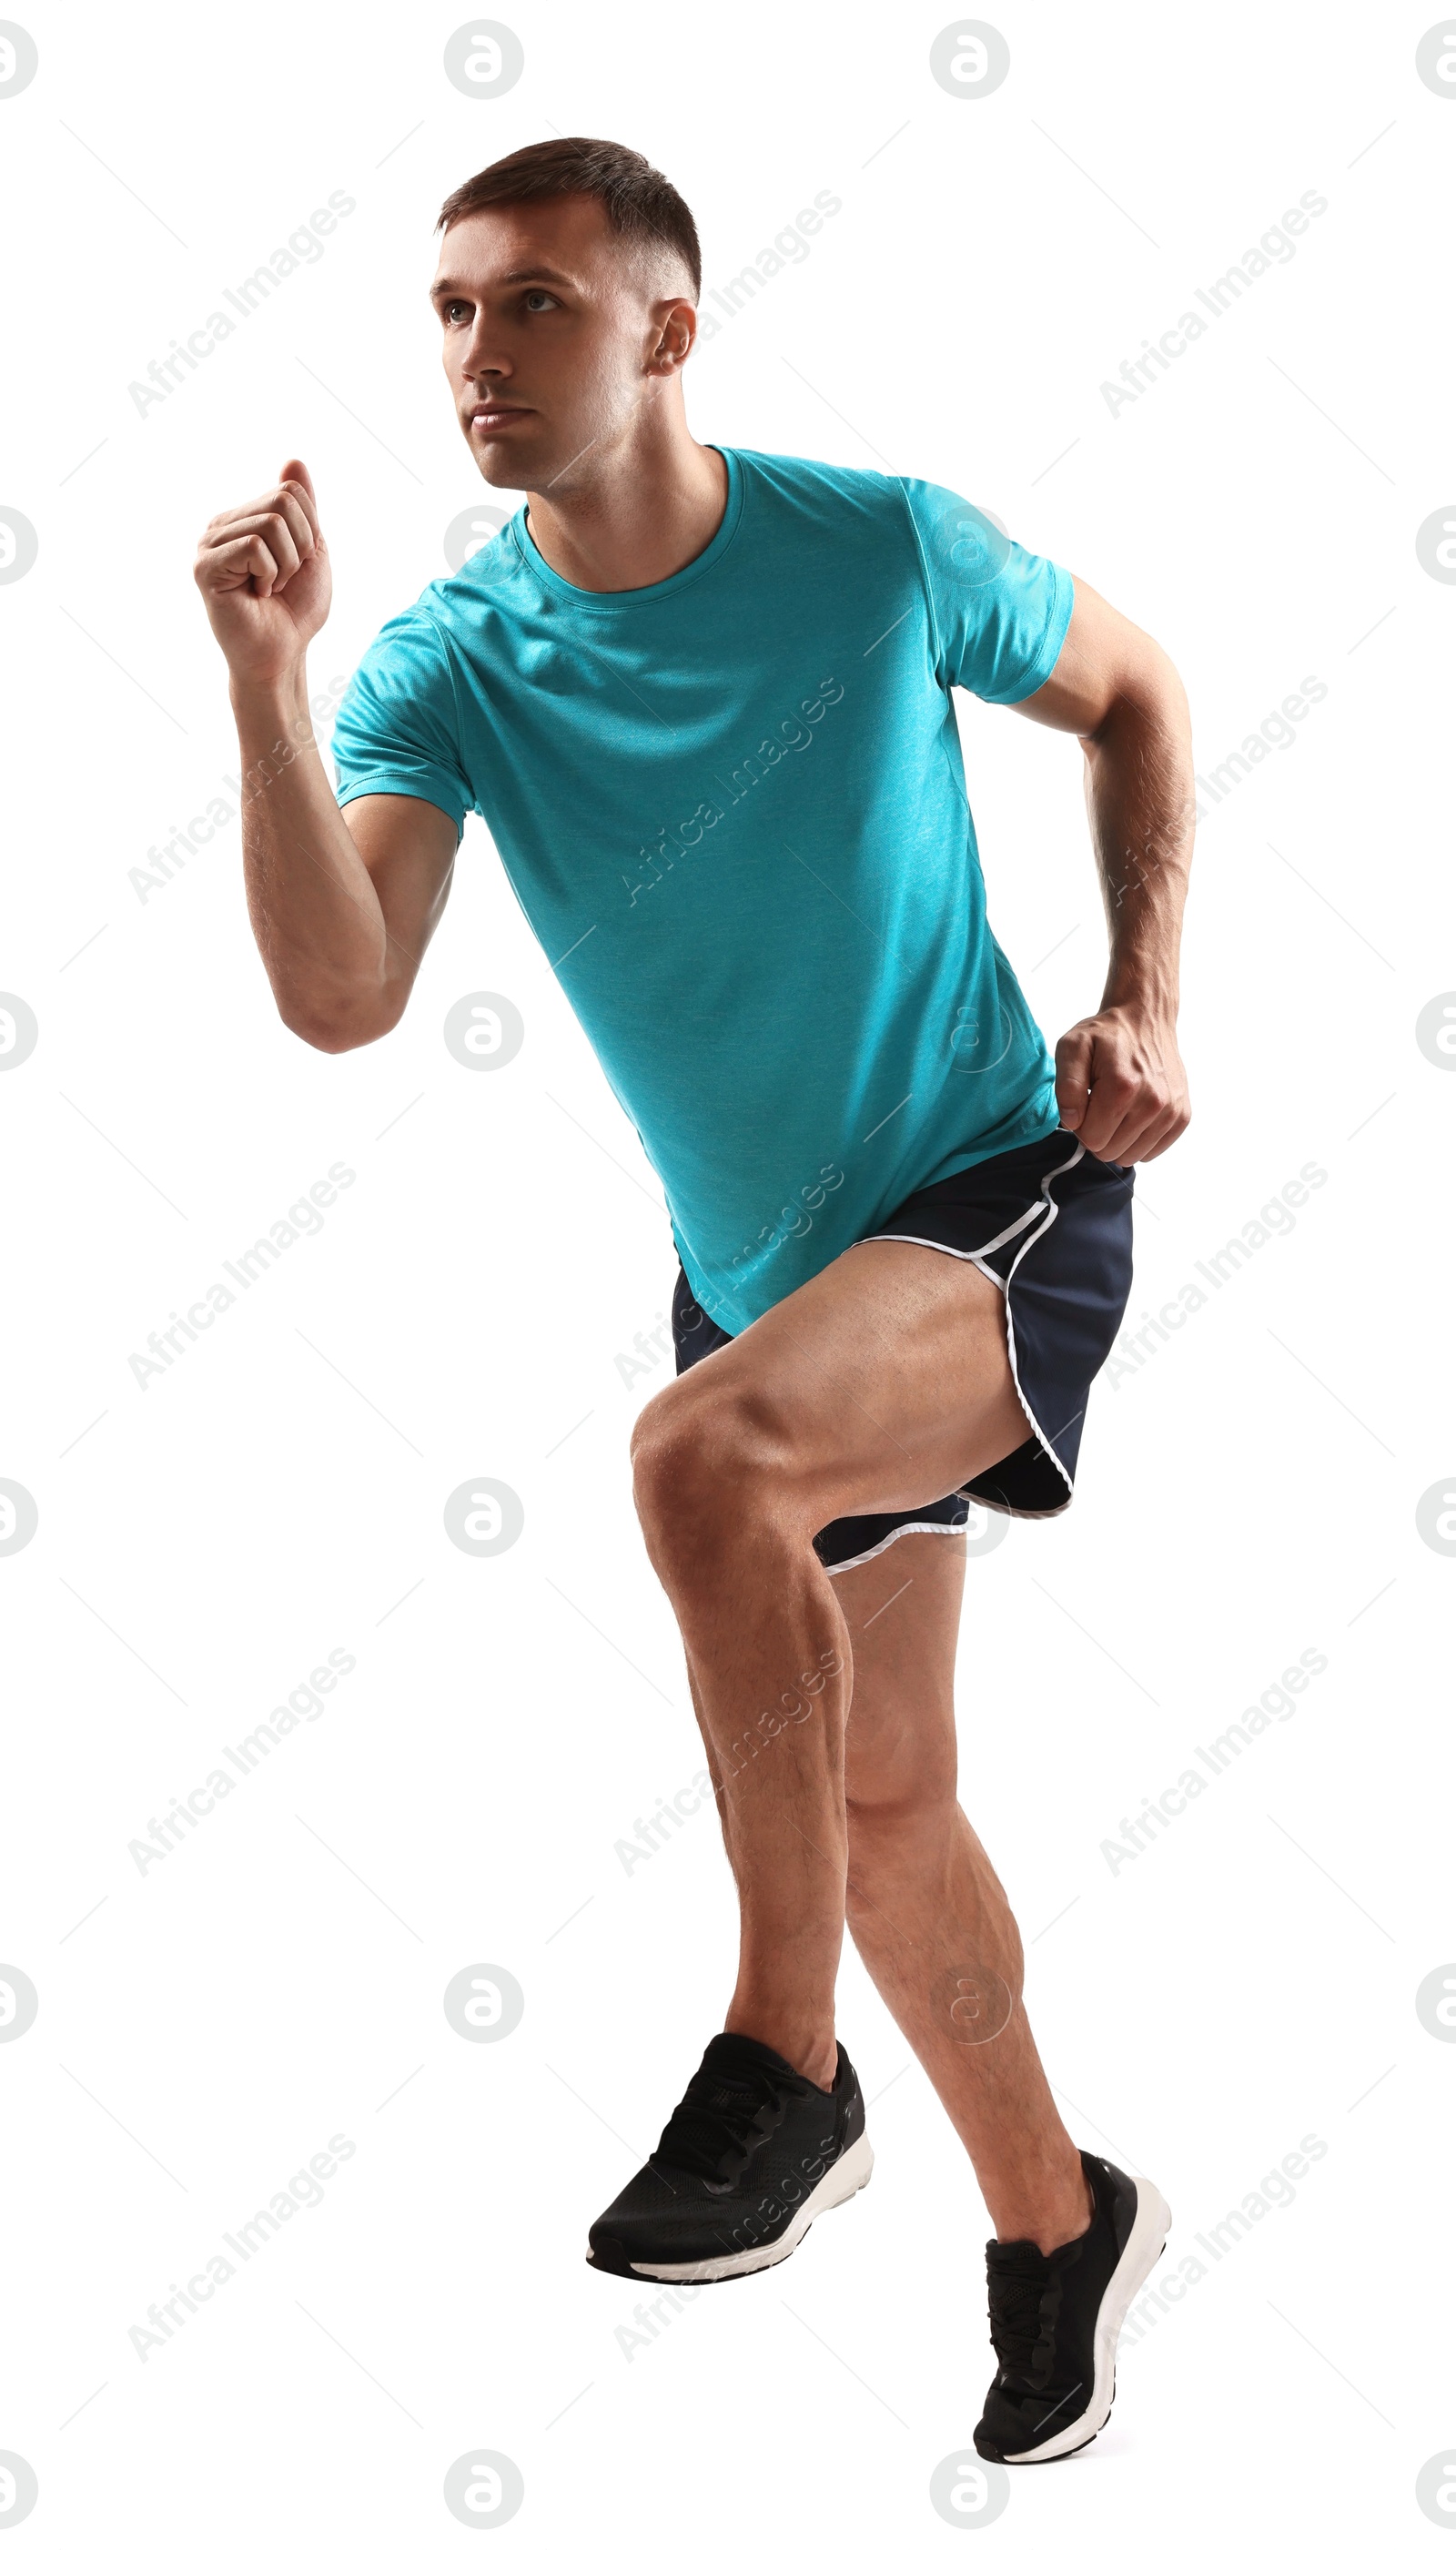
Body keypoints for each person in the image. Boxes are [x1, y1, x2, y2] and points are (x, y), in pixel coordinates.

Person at [194, 137, 1191, 2465]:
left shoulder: (876, 550)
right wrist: (268, 684)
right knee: (884, 1799)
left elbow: (1136, 689)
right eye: (446, 309)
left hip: (987, 1200)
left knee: (696, 1460)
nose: (474, 356)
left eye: (531, 305)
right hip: (763, 1284)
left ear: (662, 332)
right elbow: (343, 996)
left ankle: (783, 2067)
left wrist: (1142, 994)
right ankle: (1057, 2225)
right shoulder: (452, 660)